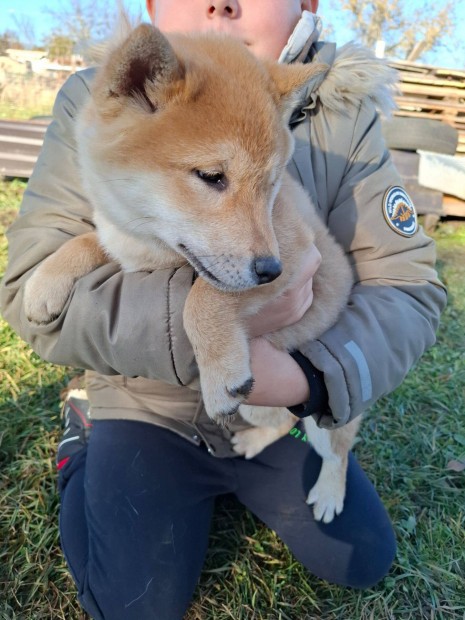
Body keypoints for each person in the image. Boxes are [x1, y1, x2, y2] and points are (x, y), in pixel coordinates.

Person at [0, 1, 446, 618]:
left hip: (282, 401)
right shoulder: (103, 101)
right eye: (213, 176)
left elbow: (406, 286)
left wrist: (311, 380)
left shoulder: (341, 118)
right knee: (132, 604)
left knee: (360, 557)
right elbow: (43, 290)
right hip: (144, 399)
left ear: (306, 7)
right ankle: (84, 432)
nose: (223, 2)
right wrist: (204, 318)